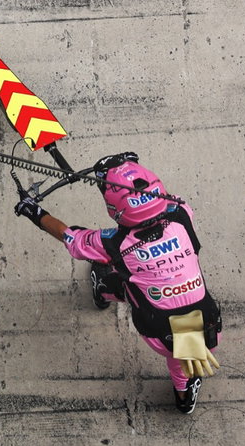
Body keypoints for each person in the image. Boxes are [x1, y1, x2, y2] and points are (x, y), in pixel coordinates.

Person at [14, 156, 220, 413]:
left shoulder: (112, 243)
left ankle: (102, 289)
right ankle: (184, 398)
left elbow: (71, 237)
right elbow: (165, 199)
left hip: (157, 328)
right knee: (181, 363)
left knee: (121, 279)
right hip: (205, 325)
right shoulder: (182, 214)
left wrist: (34, 212)